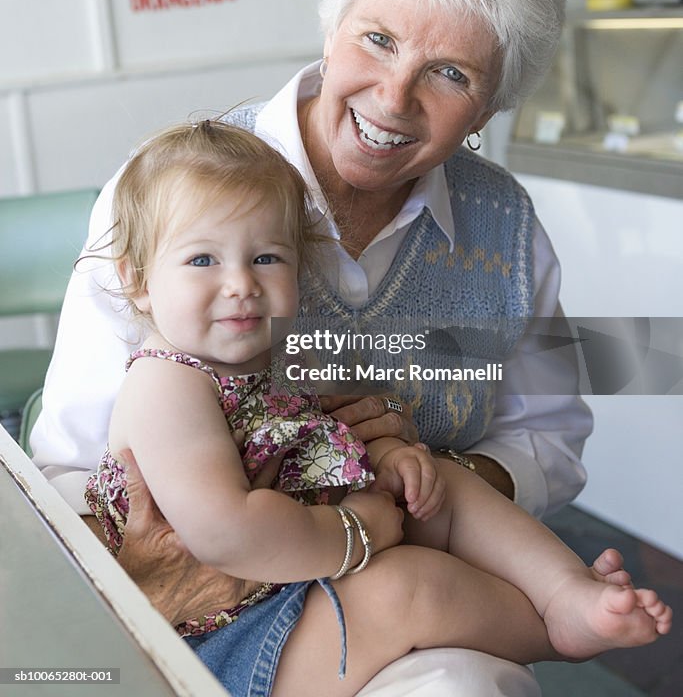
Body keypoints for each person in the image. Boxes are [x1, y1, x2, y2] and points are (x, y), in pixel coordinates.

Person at [33, 0, 618, 696]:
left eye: (449, 72)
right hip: (203, 601)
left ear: (492, 103)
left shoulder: (506, 225)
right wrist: (176, 555)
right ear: (332, 26)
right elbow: (65, 456)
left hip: (418, 583)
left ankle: (570, 614)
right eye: (377, 40)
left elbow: (549, 436)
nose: (393, 96)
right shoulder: (176, 196)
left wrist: (412, 478)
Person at [86, 118, 670, 697]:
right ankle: (554, 635)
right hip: (222, 641)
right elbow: (222, 531)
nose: (241, 283)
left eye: (267, 258)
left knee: (439, 479)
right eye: (201, 261)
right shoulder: (167, 386)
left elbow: (338, 428)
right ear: (137, 280)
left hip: (295, 575)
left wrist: (390, 454)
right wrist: (355, 532)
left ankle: (564, 591)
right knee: (407, 588)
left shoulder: (279, 355)